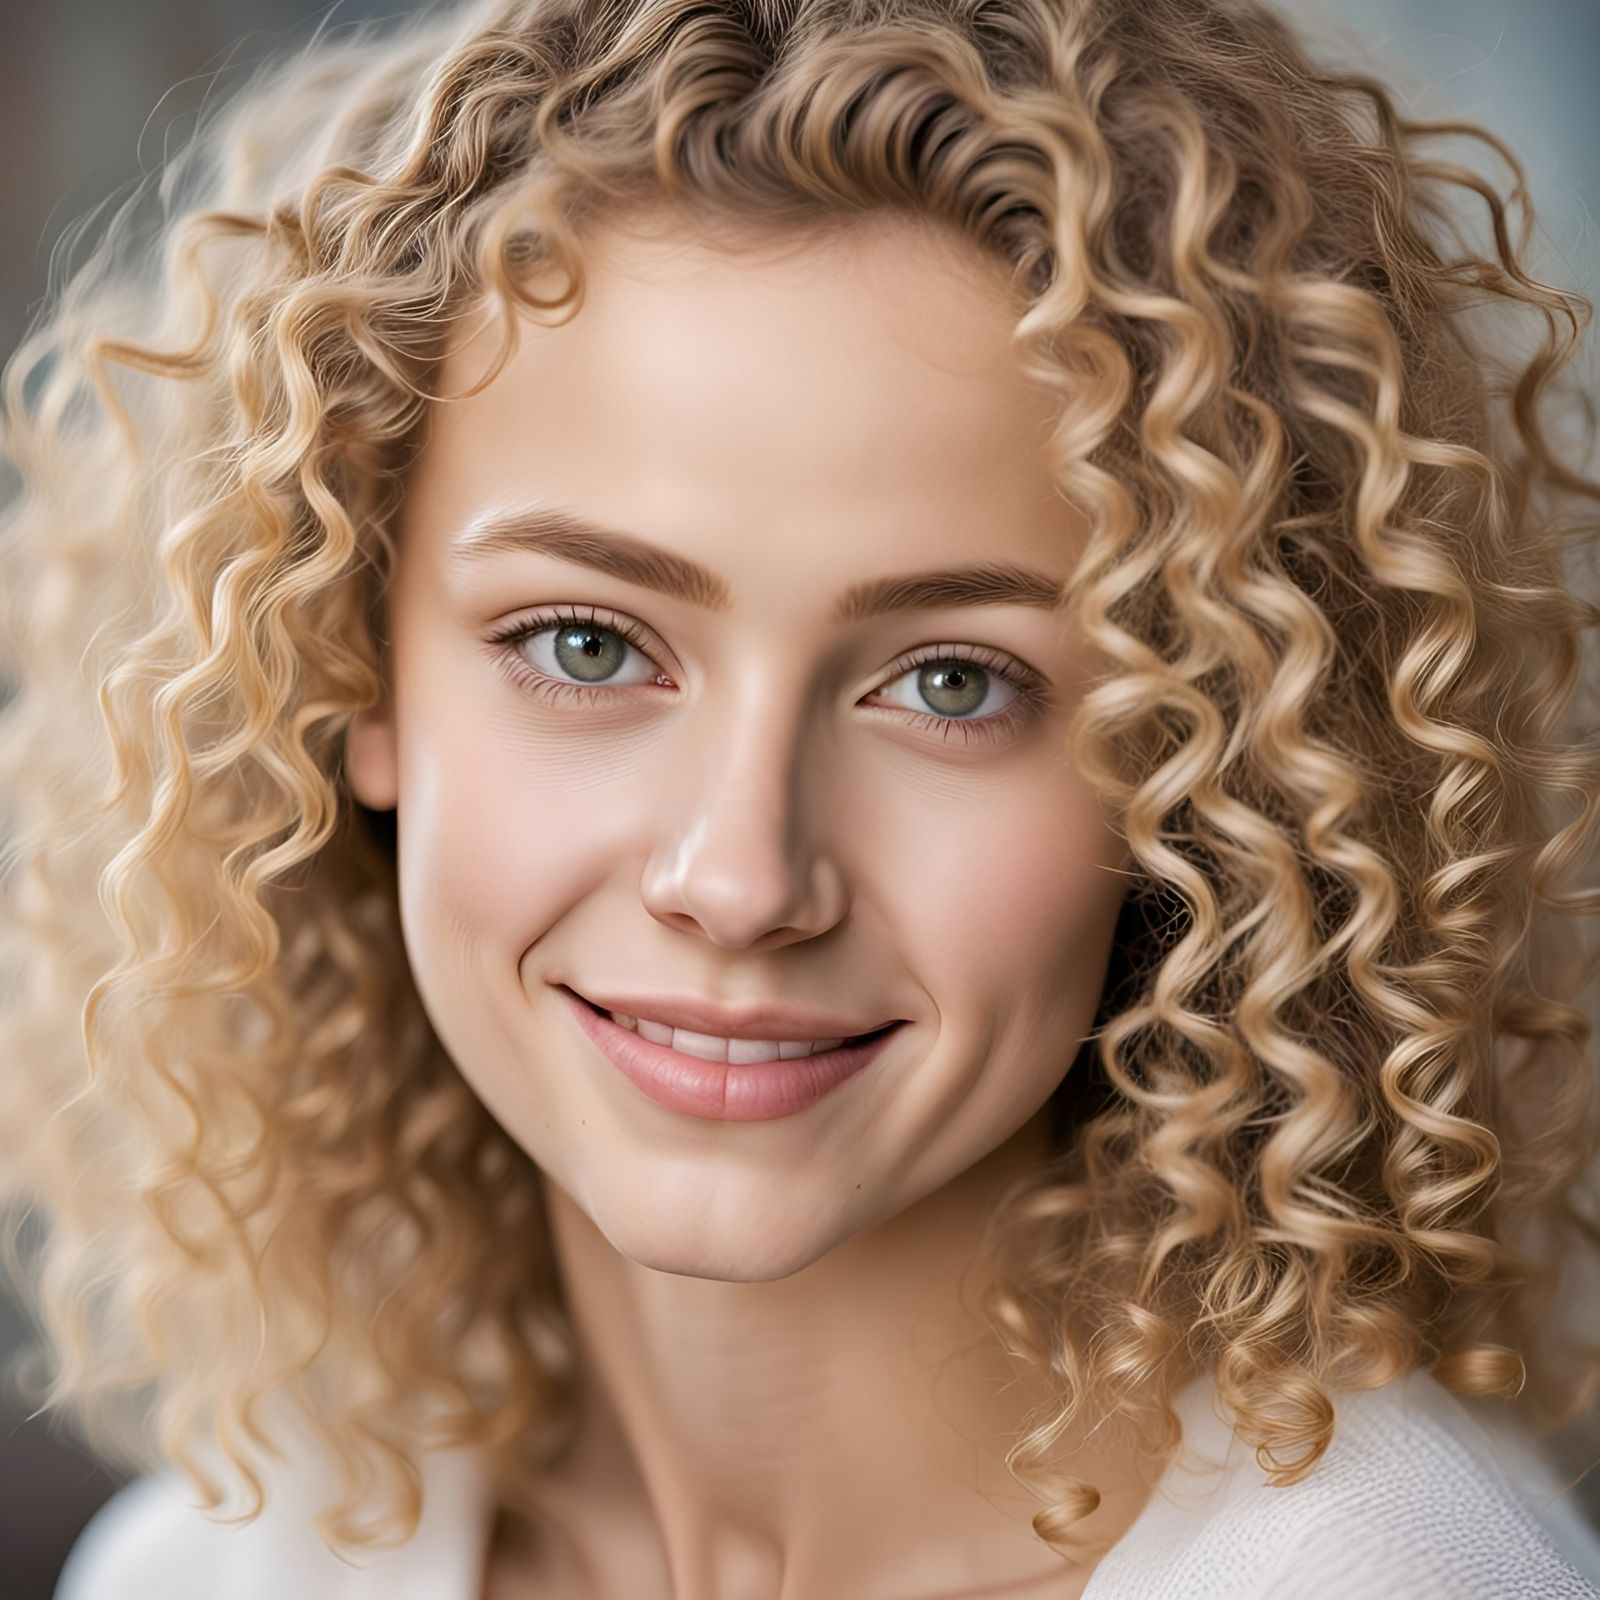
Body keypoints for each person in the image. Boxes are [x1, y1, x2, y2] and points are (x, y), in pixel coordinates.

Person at [3, 0, 1598, 1595]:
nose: (740, 879)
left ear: (1206, 761)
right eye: (584, 644)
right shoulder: (217, 1572)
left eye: (953, 683)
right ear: (351, 670)